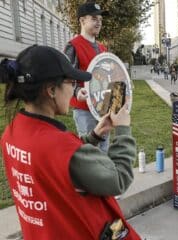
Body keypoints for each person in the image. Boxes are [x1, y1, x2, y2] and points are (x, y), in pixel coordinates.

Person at [0, 45, 141, 239]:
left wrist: (94, 136)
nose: (74, 90)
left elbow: (56, 165)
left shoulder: (12, 132)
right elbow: (118, 179)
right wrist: (123, 130)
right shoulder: (58, 146)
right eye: (71, 83)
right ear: (51, 90)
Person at [64, 2, 109, 152]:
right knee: (89, 151)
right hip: (85, 110)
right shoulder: (73, 46)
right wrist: (77, 92)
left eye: (101, 20)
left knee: (103, 147)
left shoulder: (102, 48)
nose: (99, 22)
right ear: (82, 21)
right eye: (94, 19)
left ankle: (104, 174)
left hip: (103, 106)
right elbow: (65, 76)